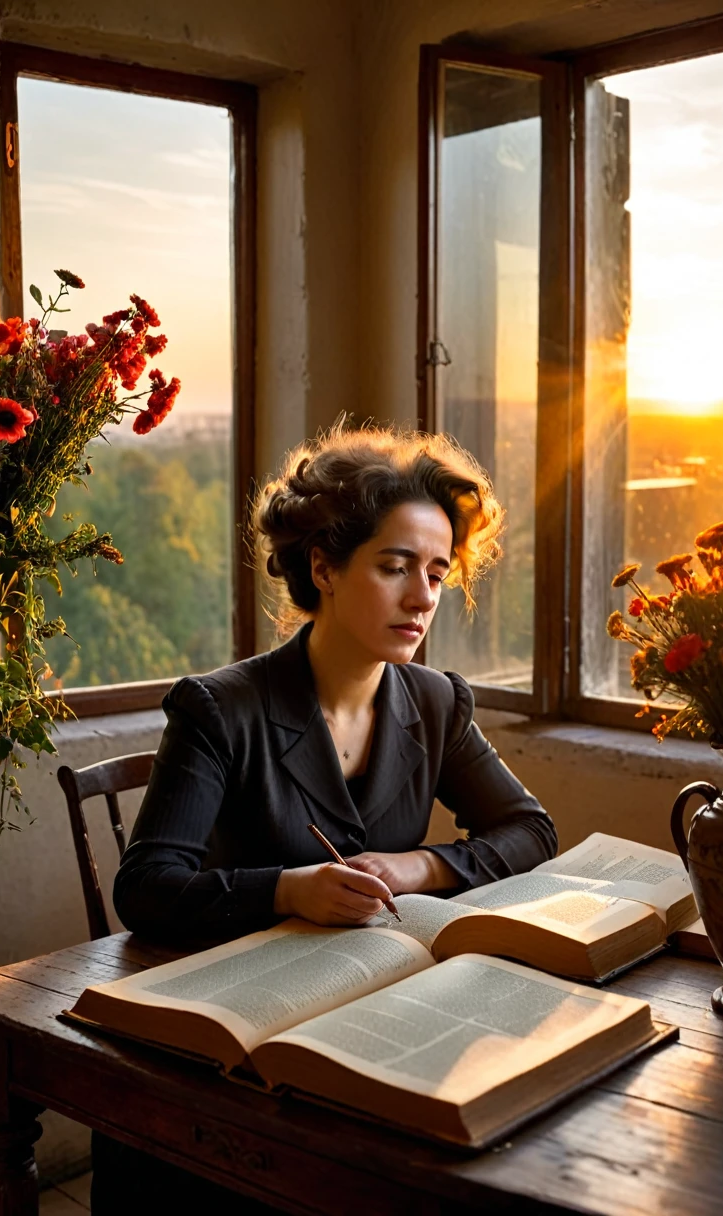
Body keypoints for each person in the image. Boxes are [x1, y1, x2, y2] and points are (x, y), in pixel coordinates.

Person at [96, 424, 558, 1213]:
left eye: (438, 574)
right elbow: (143, 889)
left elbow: (532, 831)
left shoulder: (436, 701)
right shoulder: (221, 709)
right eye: (395, 566)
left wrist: (423, 866)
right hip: (226, 1063)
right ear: (325, 568)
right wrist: (288, 889)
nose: (422, 597)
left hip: (372, 1029)